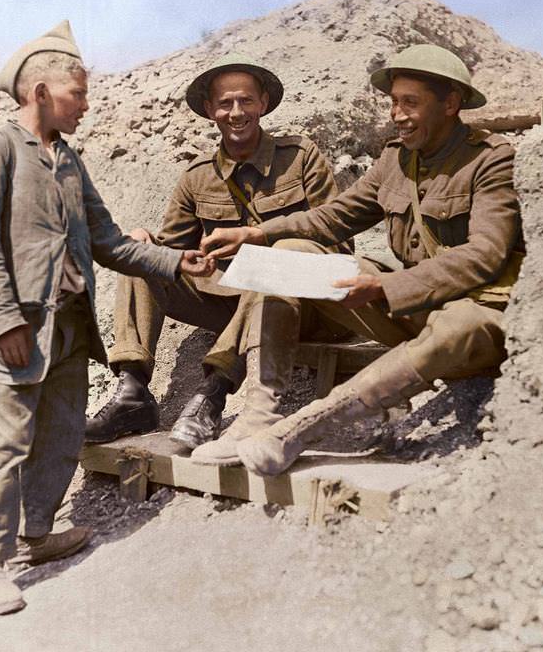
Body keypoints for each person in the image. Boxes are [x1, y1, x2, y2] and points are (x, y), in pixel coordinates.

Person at [0, 21, 213, 615]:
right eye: (79, 93)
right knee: (5, 444)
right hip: (17, 328)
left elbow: (109, 241)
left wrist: (176, 260)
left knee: (63, 432)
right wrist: (3, 321)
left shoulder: (68, 160)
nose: (87, 106)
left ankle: (36, 535)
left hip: (69, 326)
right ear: (40, 92)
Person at [192, 44, 525, 473]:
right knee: (284, 256)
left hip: (475, 313)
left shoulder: (490, 160)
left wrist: (386, 286)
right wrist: (259, 233)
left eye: (410, 102)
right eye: (393, 102)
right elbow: (337, 216)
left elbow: (485, 254)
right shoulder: (395, 158)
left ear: (451, 104)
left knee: (460, 327)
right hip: (414, 309)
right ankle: (259, 414)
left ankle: (298, 431)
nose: (397, 114)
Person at [84, 54, 349, 449]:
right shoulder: (197, 176)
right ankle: (132, 391)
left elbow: (340, 242)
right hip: (227, 302)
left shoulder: (301, 157)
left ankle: (213, 393)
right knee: (142, 257)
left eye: (245, 101)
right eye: (225, 104)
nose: (236, 113)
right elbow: (173, 252)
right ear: (210, 110)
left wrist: (265, 240)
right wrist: (147, 244)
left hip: (301, 303)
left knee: (268, 268)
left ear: (263, 103)